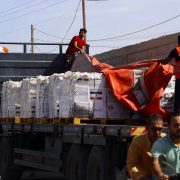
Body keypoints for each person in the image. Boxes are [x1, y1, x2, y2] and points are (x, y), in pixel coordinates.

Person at [127, 114, 165, 180]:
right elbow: (131, 164)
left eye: (159, 129)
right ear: (147, 128)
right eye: (154, 129)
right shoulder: (137, 142)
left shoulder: (166, 140)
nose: (157, 132)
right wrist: (138, 176)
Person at [151, 113, 180, 180]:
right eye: (176, 125)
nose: (179, 128)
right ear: (168, 126)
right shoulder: (160, 144)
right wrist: (160, 174)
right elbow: (155, 162)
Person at [161, 35, 180, 113]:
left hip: (179, 78)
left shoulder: (176, 50)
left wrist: (159, 61)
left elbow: (165, 61)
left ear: (178, 41)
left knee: (178, 98)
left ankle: (176, 115)